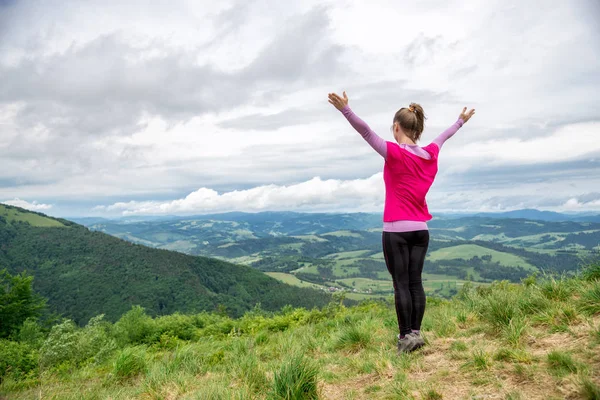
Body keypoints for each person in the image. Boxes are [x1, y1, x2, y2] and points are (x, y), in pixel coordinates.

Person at [327, 91, 475, 353]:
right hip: (421, 230)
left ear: (396, 127)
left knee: (401, 285)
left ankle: (405, 337)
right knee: (416, 282)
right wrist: (460, 121)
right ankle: (416, 334)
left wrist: (345, 110)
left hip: (395, 230)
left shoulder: (393, 152)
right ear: (417, 128)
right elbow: (444, 136)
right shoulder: (430, 153)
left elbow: (365, 132)